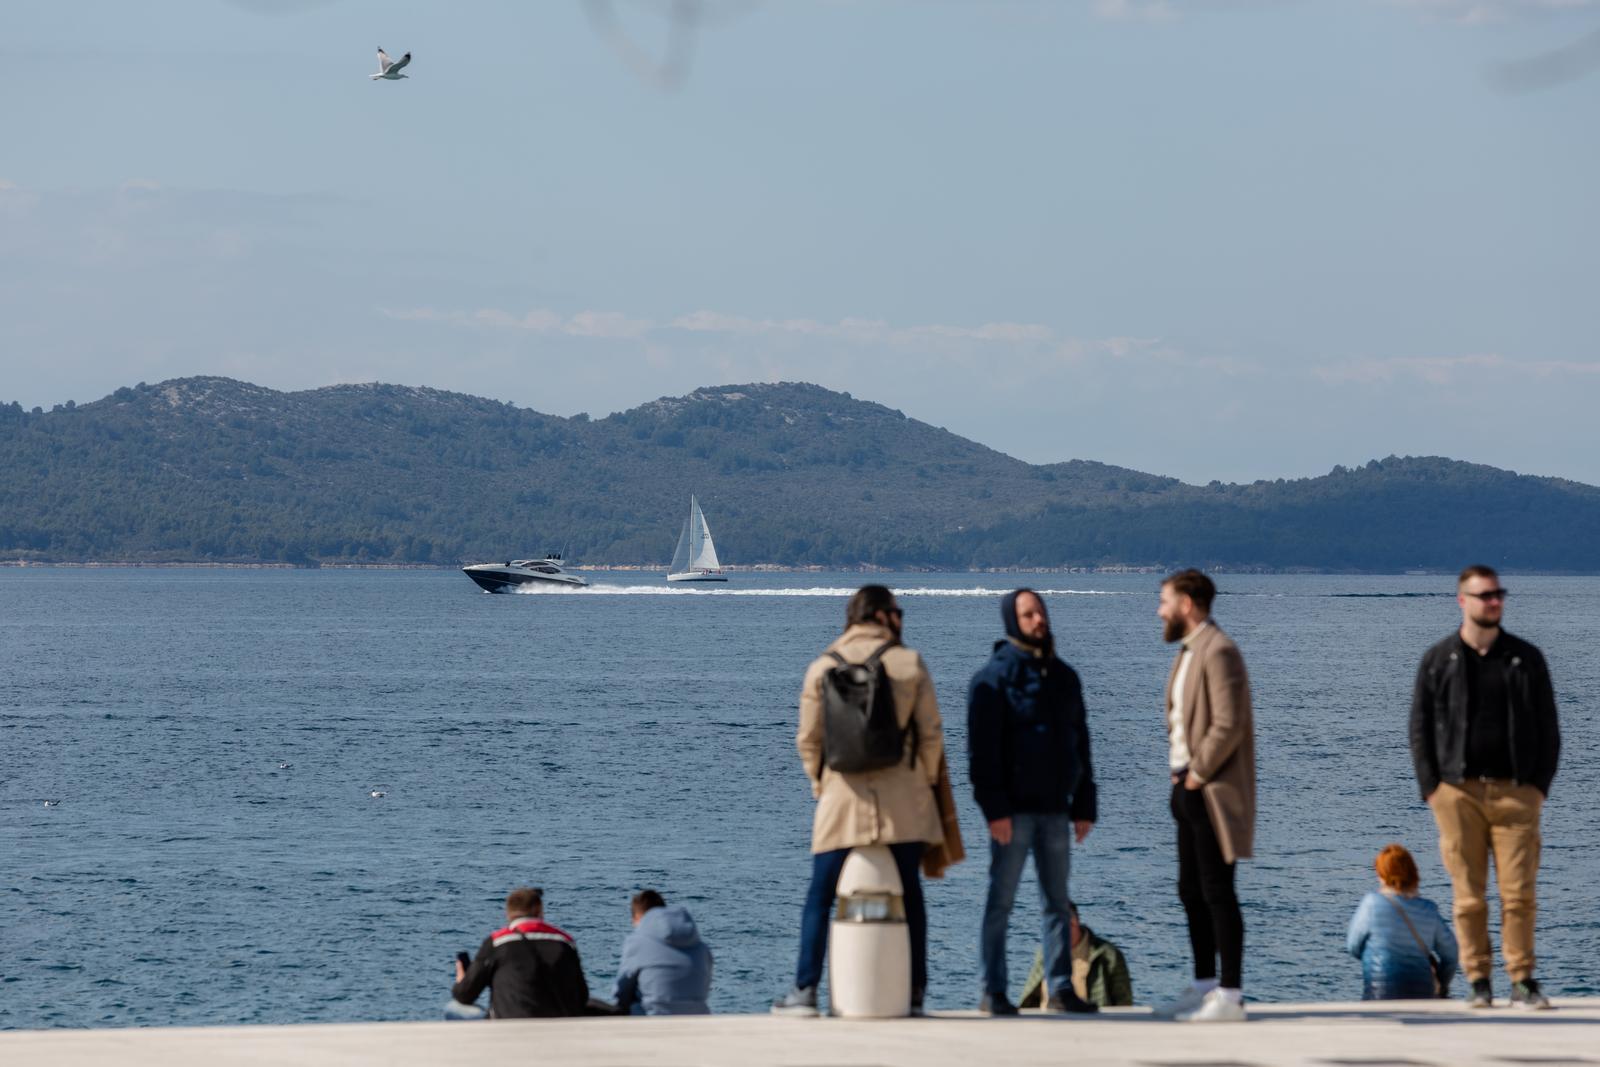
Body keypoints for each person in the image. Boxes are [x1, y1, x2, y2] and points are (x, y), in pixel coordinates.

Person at [773, 585, 946, 1017]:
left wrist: (822, 786)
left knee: (820, 893)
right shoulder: (909, 664)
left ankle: (806, 990)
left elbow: (808, 740)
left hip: (840, 799)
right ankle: (914, 991)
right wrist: (920, 784)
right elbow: (931, 737)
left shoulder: (821, 667)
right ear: (885, 616)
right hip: (903, 798)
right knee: (911, 894)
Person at [1409, 564, 1560, 1010]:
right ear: (1463, 600)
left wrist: (1538, 788)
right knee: (1469, 897)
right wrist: (1431, 789)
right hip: (1456, 794)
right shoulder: (1439, 660)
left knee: (1519, 892)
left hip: (1517, 793)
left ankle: (1522, 979)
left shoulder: (1525, 658)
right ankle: (1478, 981)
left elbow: (1549, 728)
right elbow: (1419, 728)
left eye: (1498, 594)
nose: (1494, 601)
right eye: (1485, 595)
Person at [968, 589, 1098, 1016]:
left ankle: (1060, 989)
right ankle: (993, 990)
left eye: (1040, 611)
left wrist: (1084, 805)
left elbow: (1081, 743)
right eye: (1028, 614)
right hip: (1014, 813)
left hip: (1056, 810)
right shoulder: (992, 678)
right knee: (1000, 902)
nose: (1038, 620)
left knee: (1057, 903)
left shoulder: (1065, 677)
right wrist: (994, 811)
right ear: (1012, 621)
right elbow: (981, 754)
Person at [1155, 569, 1255, 1023]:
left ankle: (1230, 994)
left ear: (1187, 604)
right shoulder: (1188, 653)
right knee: (1189, 889)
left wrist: (1196, 775)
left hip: (1209, 790)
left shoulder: (1220, 651)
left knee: (1218, 890)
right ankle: (1203, 986)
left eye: (1165, 601)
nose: (1160, 610)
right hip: (1185, 786)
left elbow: (1229, 722)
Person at [450, 887, 590, 1019]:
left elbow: (465, 995)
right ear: (539, 910)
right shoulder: (565, 941)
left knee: (453, 1008)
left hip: (510, 1025)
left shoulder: (497, 942)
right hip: (557, 1022)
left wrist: (461, 980)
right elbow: (582, 995)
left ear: (508, 914)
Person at [1346, 844, 1459, 1001]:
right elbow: (1451, 955)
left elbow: (1353, 947)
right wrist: (1443, 983)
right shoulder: (1429, 909)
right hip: (1422, 993)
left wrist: (1376, 955)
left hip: (1379, 993)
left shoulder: (1371, 903)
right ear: (1413, 874)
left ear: (1381, 874)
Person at [612, 889, 713, 1016]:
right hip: (698, 1016)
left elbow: (621, 993)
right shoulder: (701, 947)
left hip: (653, 1017)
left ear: (638, 917)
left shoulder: (637, 942)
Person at [1018, 902, 1133, 1010]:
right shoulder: (1045, 953)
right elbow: (1030, 999)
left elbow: (1124, 1005)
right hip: (1048, 1026)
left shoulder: (1108, 955)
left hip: (1093, 1026)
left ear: (1074, 923)